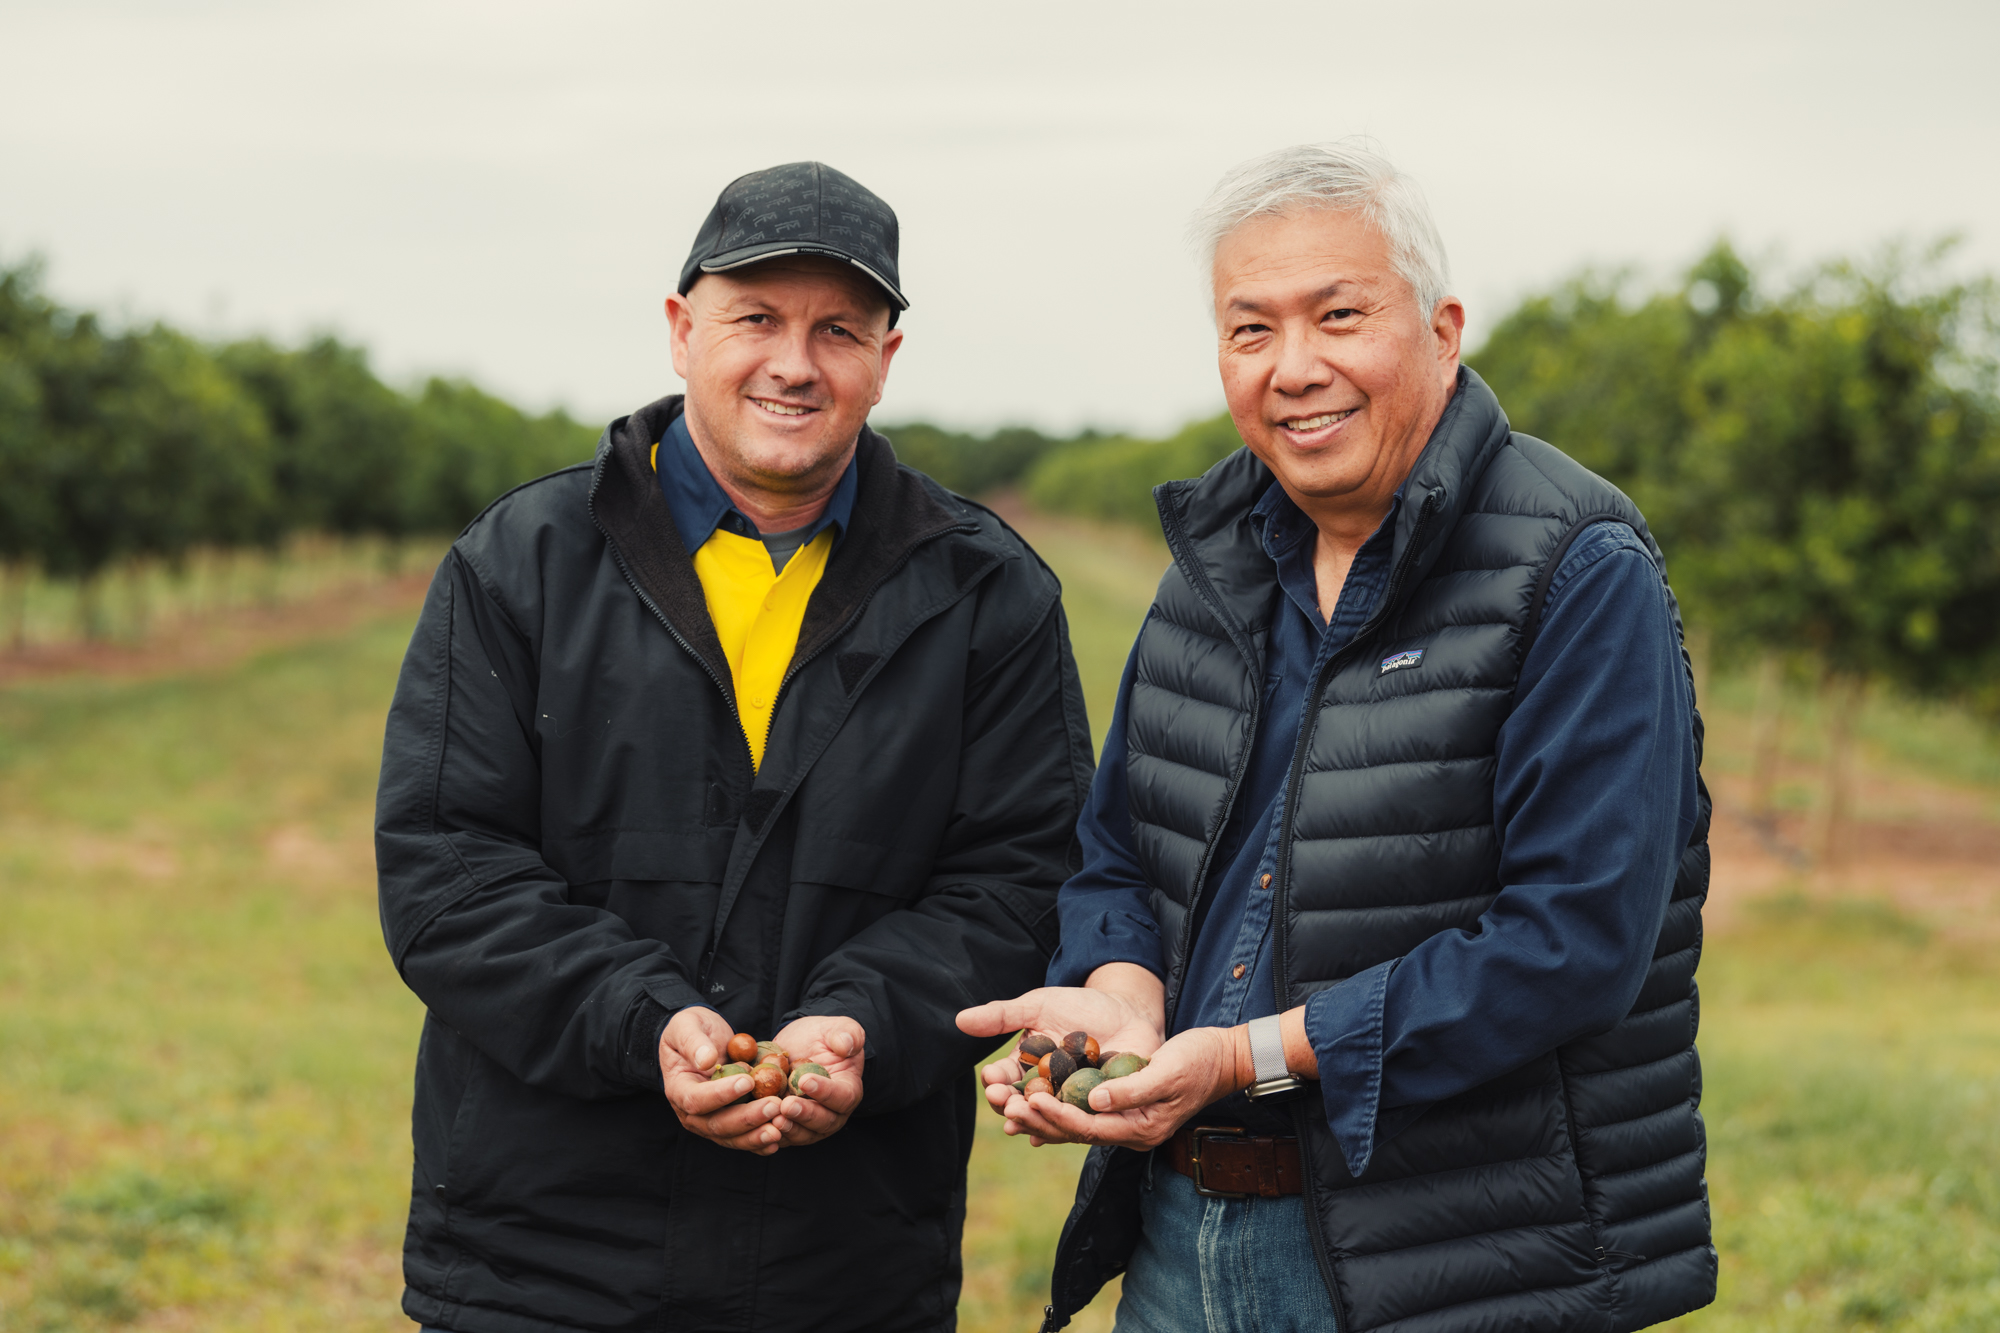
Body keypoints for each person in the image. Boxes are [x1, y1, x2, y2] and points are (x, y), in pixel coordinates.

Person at [960, 142, 1714, 1333]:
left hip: (1456, 1257)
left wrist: (1246, 1054)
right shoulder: (1209, 570)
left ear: (1441, 328)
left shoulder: (1573, 568)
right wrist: (1113, 987)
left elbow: (1571, 941)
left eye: (1339, 314)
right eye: (1249, 330)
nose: (1294, 368)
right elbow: (1116, 851)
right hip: (1179, 1242)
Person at [377, 160, 1095, 1333]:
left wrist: (864, 1018)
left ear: (886, 359)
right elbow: (447, 874)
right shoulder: (522, 563)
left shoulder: (985, 592)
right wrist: (642, 1019)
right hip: (541, 1256)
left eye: (838, 330)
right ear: (679, 329)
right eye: (754, 318)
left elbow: (1022, 880)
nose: (793, 363)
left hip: (843, 1259)